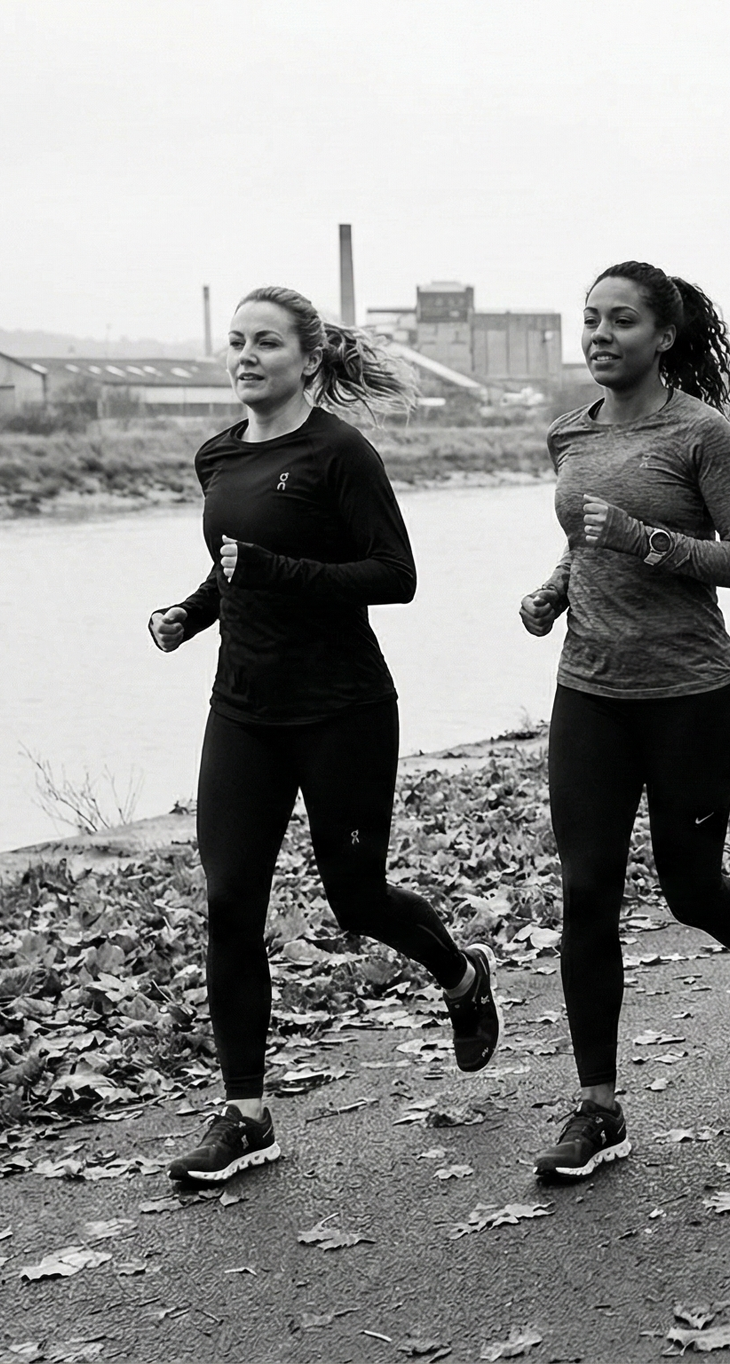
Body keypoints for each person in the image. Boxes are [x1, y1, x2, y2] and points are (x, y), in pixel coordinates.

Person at [148, 286, 498, 1184]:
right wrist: (191, 613)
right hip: (244, 712)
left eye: (266, 342)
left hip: (341, 709)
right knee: (230, 905)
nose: (246, 355)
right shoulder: (217, 455)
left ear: (307, 360)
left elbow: (394, 576)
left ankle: (461, 975)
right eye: (235, 342)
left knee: (357, 900)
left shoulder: (342, 453)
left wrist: (273, 571)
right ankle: (246, 1115)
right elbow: (233, 569)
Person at [515, 261, 730, 1184]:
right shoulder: (571, 433)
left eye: (622, 320)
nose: (600, 335)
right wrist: (556, 591)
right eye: (590, 320)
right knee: (588, 891)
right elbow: (581, 537)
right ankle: (597, 1107)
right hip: (589, 691)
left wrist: (648, 543)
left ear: (663, 336)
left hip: (689, 693)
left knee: (689, 888)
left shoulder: (701, 435)